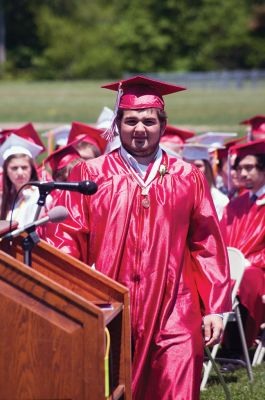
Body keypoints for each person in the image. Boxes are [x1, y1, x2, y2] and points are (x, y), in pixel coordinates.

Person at [44, 76, 231, 400]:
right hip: (114, 305)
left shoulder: (187, 176)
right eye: (131, 120)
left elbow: (207, 244)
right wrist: (71, 301)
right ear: (117, 124)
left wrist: (214, 307)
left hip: (176, 308)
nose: (140, 128)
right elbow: (67, 239)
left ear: (163, 124)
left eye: (148, 120)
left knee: (178, 385)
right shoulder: (91, 174)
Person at [221, 139, 265, 353]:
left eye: (249, 167)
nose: (243, 173)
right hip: (233, 267)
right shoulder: (236, 204)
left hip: (259, 271)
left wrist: (249, 262)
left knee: (246, 278)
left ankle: (237, 348)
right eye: (239, 168)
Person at [0, 134, 44, 226]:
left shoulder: (39, 196)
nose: (20, 173)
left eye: (24, 167)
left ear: (31, 169)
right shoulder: (8, 198)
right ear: (6, 171)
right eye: (14, 168)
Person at [182, 143, 229, 220]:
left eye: (198, 165)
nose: (192, 169)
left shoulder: (220, 200)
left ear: (207, 168)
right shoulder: (176, 195)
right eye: (188, 165)